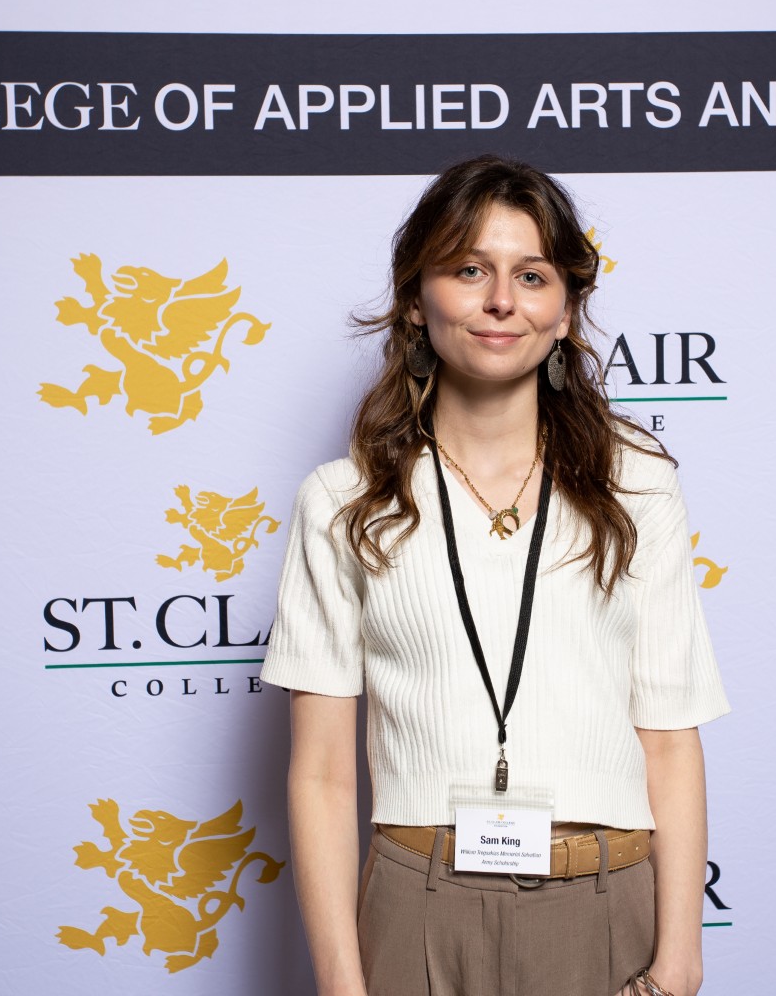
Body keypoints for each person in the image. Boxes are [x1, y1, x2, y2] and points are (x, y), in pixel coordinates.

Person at [261, 154, 729, 996]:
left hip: (604, 902)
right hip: (415, 907)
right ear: (416, 297)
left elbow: (668, 737)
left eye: (532, 275)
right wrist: (341, 984)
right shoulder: (342, 501)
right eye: (469, 269)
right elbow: (322, 770)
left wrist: (680, 963)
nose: (502, 300)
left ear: (566, 309)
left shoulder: (639, 484)